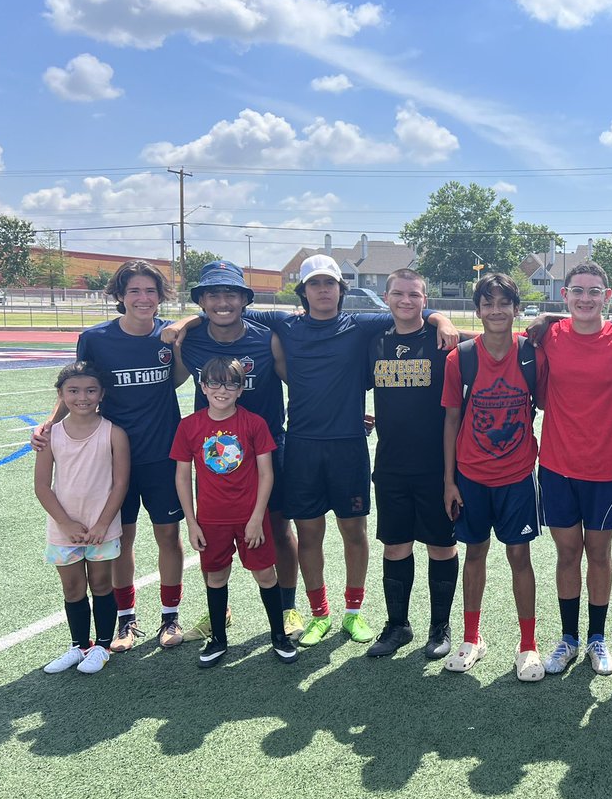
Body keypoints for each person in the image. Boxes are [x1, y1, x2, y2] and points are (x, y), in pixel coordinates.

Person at [164, 254, 457, 649]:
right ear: (303, 291)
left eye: (330, 284)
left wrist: (444, 319)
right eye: (315, 284)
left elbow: (410, 307)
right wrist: (183, 321)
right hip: (302, 445)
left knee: (354, 531)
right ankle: (320, 613)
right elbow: (224, 313)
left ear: (340, 289)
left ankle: (353, 612)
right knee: (309, 532)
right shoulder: (283, 322)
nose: (323, 290)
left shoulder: (360, 323)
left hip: (349, 444)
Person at [33, 260, 188, 651]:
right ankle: (125, 619)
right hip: (111, 458)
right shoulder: (96, 338)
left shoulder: (167, 335)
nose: (142, 298)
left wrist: (182, 330)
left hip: (162, 453)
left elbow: (182, 365)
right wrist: (49, 424)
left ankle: (170, 617)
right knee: (123, 539)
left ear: (160, 296)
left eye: (150, 291)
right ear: (120, 296)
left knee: (168, 534)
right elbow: (75, 385)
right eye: (133, 291)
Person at [174, 260, 303, 643]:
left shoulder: (267, 338)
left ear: (245, 299)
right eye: (213, 294)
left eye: (230, 293)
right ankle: (220, 612)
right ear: (201, 301)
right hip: (214, 455)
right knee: (209, 534)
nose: (222, 302)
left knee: (278, 527)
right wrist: (181, 325)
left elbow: (298, 382)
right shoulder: (192, 340)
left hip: (265, 447)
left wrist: (345, 412)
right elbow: (172, 377)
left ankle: (287, 607)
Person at [441, 272, 548, 681]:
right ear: (478, 310)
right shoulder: (462, 358)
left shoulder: (531, 356)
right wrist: (449, 481)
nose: (497, 310)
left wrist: (551, 319)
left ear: (517, 309)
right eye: (488, 303)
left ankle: (528, 646)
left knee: (520, 556)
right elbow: (451, 421)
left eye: (505, 303)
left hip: (518, 475)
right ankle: (472, 638)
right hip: (471, 476)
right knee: (475, 554)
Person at [535, 261, 612, 677]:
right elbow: (496, 341)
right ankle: (568, 638)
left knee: (599, 553)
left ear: (607, 297)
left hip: (605, 471)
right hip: (557, 467)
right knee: (567, 554)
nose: (585, 298)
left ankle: (597, 637)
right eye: (577, 291)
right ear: (565, 295)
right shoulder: (547, 337)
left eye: (595, 291)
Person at [170, 357, 298, 668]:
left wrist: (257, 519)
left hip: (250, 517)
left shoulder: (254, 424)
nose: (222, 390)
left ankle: (278, 635)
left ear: (241, 389)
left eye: (231, 384)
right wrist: (191, 522)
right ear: (202, 387)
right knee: (216, 576)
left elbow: (266, 474)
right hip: (211, 520)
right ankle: (218, 639)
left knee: (265, 574)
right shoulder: (190, 426)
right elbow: (182, 477)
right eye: (214, 383)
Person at [365, 270, 460, 661]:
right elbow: (344, 383)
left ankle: (440, 626)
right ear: (386, 297)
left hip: (437, 467)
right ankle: (398, 625)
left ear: (426, 298)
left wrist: (442, 319)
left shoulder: (442, 341)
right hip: (390, 464)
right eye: (399, 294)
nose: (407, 301)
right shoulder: (374, 342)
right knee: (396, 545)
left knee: (441, 546)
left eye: (415, 295)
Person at [35, 362, 129, 675]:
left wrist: (102, 523)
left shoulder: (114, 433)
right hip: (65, 529)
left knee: (102, 584)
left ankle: (102, 646)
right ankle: (79, 645)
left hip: (102, 527)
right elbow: (41, 486)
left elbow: (120, 484)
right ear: (61, 395)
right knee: (73, 589)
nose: (82, 397)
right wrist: (65, 523)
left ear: (102, 394)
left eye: (90, 390)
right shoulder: (50, 436)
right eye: (73, 391)